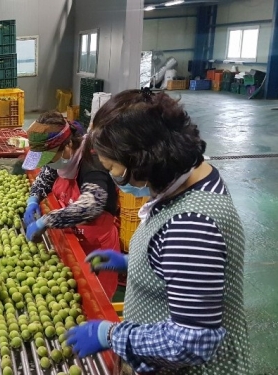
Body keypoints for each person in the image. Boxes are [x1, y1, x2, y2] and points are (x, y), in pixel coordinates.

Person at [65, 88, 249, 374]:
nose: (114, 180)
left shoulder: (192, 224)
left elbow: (193, 342)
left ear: (142, 161)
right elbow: (192, 270)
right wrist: (140, 263)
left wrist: (112, 335)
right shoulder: (196, 176)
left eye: (113, 168)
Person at [21, 111, 120, 299]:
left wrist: (46, 221)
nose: (47, 164)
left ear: (67, 146)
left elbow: (91, 205)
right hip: (72, 241)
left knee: (96, 299)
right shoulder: (61, 160)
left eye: (48, 159)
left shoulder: (93, 161)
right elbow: (46, 175)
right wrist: (33, 198)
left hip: (97, 248)